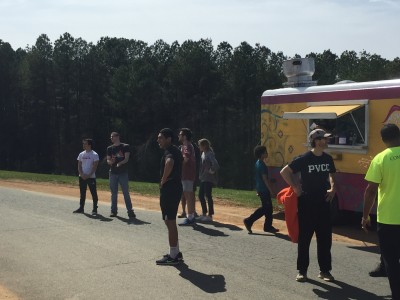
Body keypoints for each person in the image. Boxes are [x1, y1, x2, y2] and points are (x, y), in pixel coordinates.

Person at [280, 129, 337, 283]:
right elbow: (285, 171)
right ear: (316, 141)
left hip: (324, 203)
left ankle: (325, 271)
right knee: (305, 239)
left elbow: (332, 174)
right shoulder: (305, 158)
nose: (326, 141)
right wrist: (295, 187)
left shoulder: (328, 158)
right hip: (307, 203)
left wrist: (333, 187)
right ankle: (302, 271)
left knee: (325, 239)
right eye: (324, 139)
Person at [362, 123, 400, 300]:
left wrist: (365, 216)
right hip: (389, 219)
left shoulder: (380, 158)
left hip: (389, 219)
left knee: (391, 259)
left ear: (383, 140)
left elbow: (370, 190)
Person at [156, 128, 183, 265]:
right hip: (175, 188)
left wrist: (163, 179)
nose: (158, 140)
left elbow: (169, 163)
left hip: (170, 189)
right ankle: (175, 252)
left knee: (170, 220)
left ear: (168, 139)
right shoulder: (175, 150)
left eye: (161, 138)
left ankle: (173, 256)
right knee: (169, 220)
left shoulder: (170, 152)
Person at [244, 145, 278, 234]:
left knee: (269, 209)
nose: (267, 153)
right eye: (265, 152)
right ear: (262, 154)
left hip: (260, 188)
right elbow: (264, 179)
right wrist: (271, 191)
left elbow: (260, 177)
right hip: (264, 190)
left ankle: (268, 227)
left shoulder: (258, 163)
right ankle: (249, 220)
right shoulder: (262, 165)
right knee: (265, 208)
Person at [106, 132, 136, 219]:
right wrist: (110, 162)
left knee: (126, 192)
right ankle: (113, 211)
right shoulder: (109, 148)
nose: (111, 138)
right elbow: (108, 159)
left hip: (123, 173)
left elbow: (126, 159)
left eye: (113, 137)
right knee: (113, 193)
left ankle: (130, 211)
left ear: (117, 137)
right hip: (112, 173)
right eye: (110, 137)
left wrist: (120, 163)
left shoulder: (125, 146)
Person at [73, 138, 99, 215]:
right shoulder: (81, 154)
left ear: (89, 145)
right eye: (83, 143)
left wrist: (88, 175)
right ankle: (81, 208)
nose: (83, 145)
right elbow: (79, 166)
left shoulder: (94, 154)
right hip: (82, 177)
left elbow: (95, 167)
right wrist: (81, 174)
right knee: (82, 192)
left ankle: (94, 208)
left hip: (91, 177)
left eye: (85, 143)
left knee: (93, 193)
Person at [177, 128, 197, 225]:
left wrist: (177, 165)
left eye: (180, 134)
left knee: (188, 194)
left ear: (184, 136)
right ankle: (192, 215)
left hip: (187, 174)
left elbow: (186, 159)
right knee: (189, 194)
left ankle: (190, 217)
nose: (179, 136)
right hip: (187, 174)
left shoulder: (187, 146)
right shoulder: (186, 146)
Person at [197, 138, 219, 222]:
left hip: (208, 178)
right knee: (200, 195)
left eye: (200, 145)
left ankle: (210, 215)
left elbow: (216, 165)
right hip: (203, 178)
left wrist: (211, 171)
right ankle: (204, 213)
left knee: (208, 196)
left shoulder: (210, 154)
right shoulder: (203, 153)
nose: (199, 147)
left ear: (204, 145)